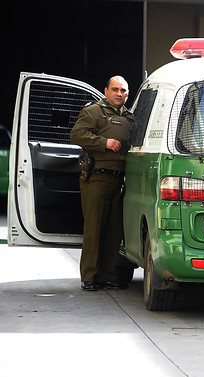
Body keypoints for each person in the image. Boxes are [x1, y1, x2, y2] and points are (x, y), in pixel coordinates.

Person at [70, 75, 134, 291]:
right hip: (97, 178)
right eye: (115, 89)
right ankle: (89, 276)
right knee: (94, 228)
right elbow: (76, 134)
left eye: (123, 90)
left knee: (114, 230)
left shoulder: (130, 117)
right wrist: (103, 142)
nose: (119, 94)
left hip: (119, 180)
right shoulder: (94, 111)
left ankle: (108, 275)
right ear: (106, 90)